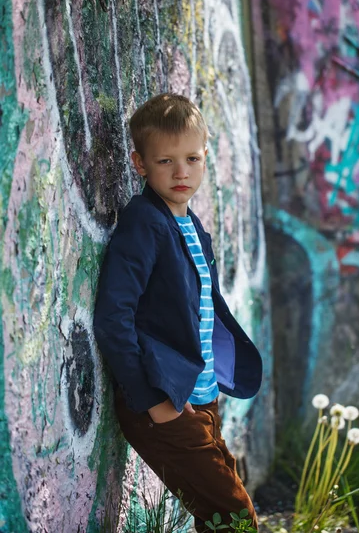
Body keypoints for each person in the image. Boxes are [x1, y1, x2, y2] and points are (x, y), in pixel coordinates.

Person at [93, 93, 262, 532]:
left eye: (191, 158)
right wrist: (152, 402)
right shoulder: (144, 223)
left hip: (201, 397)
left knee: (218, 517)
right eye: (166, 161)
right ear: (140, 162)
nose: (181, 172)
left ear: (205, 157)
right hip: (163, 401)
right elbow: (114, 319)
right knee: (237, 518)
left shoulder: (190, 224)